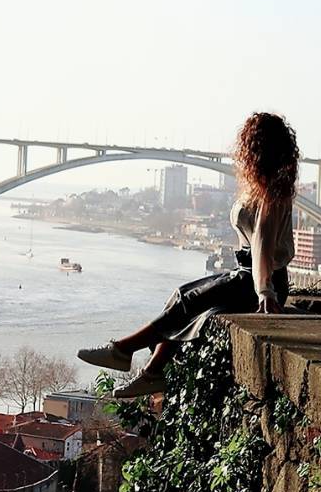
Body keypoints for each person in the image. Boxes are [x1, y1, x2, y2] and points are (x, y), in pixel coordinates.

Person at [78, 111, 298, 397]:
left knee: (190, 300)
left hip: (257, 281)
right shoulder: (262, 189)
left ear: (254, 149)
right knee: (184, 296)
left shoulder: (270, 195)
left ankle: (124, 350)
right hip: (249, 276)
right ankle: (151, 371)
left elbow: (262, 247)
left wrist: (265, 291)